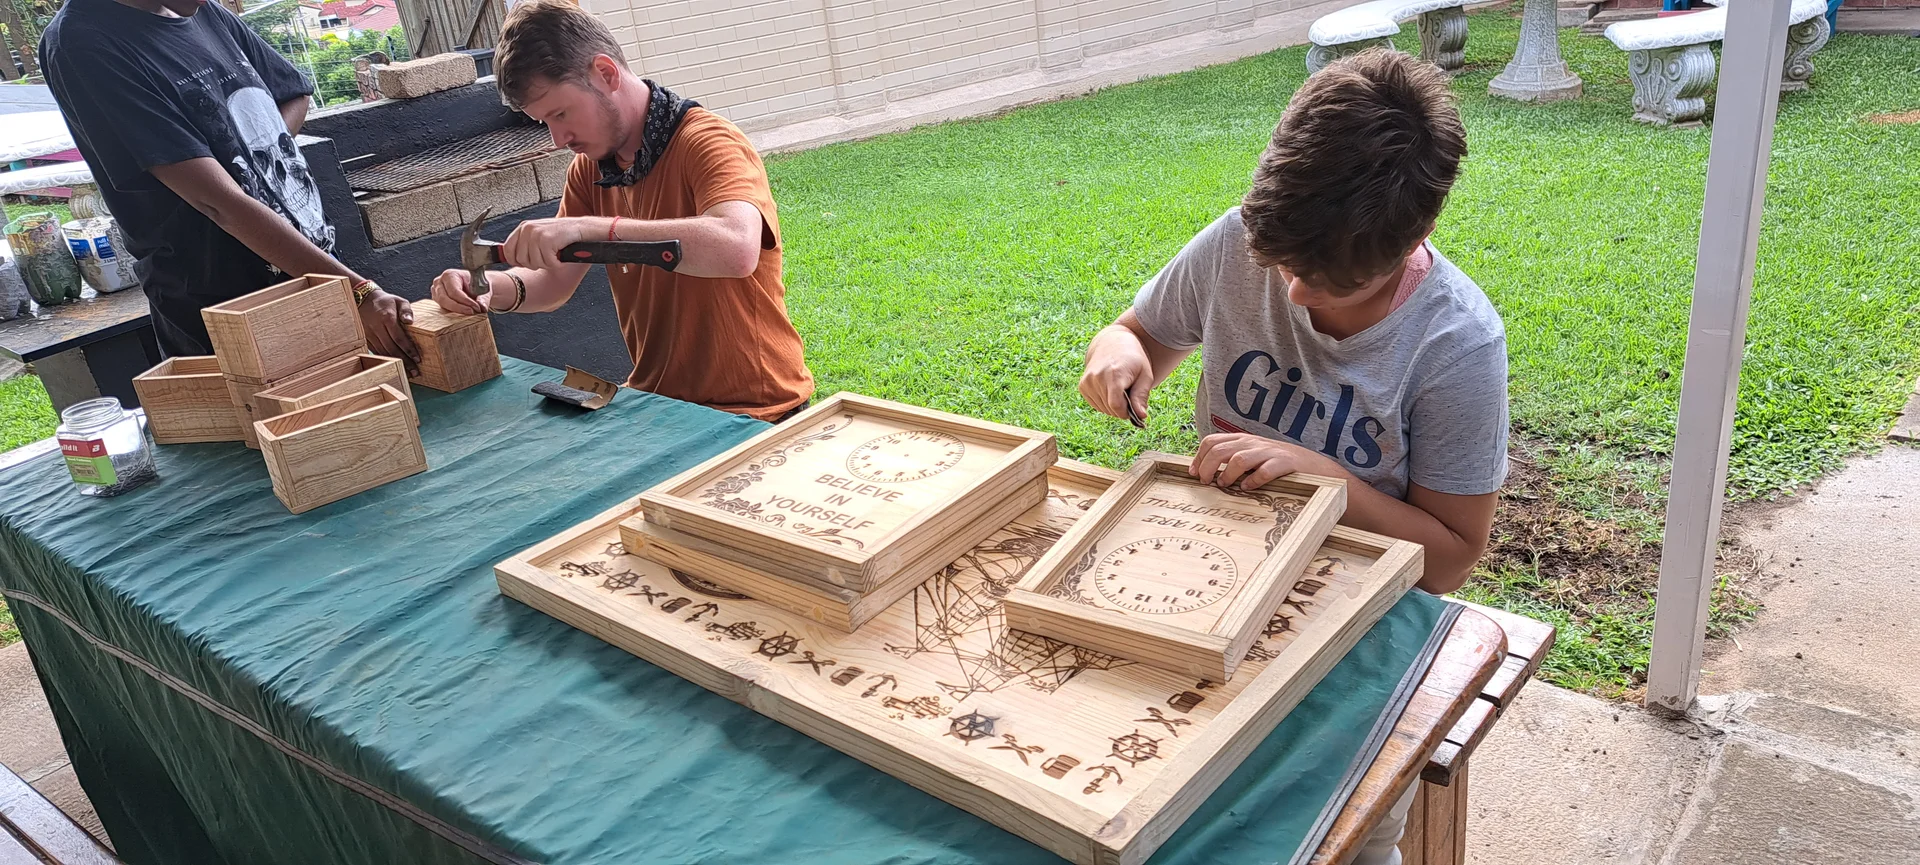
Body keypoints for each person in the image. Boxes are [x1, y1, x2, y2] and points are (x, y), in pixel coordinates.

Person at [1080, 48, 1505, 864]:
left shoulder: (1457, 343)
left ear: (1416, 237)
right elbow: (1140, 333)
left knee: (1332, 838)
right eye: (1280, 266)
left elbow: (1452, 556)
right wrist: (1119, 352)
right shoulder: (1240, 241)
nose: (1295, 294)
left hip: (1361, 633)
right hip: (1205, 583)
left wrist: (1328, 481)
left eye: (1328, 282)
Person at [428, 0, 814, 422]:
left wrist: (596, 229)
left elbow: (736, 249)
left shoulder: (708, 141)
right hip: (658, 404)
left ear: (606, 73)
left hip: (757, 410)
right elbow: (553, 282)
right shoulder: (589, 170)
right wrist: (485, 289)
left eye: (561, 113)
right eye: (544, 123)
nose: (558, 139)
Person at [39, 0, 417, 364]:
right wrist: (358, 291)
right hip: (226, 306)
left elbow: (293, 94)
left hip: (313, 271)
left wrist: (253, 159)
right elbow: (219, 203)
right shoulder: (84, 43)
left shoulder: (204, 12)